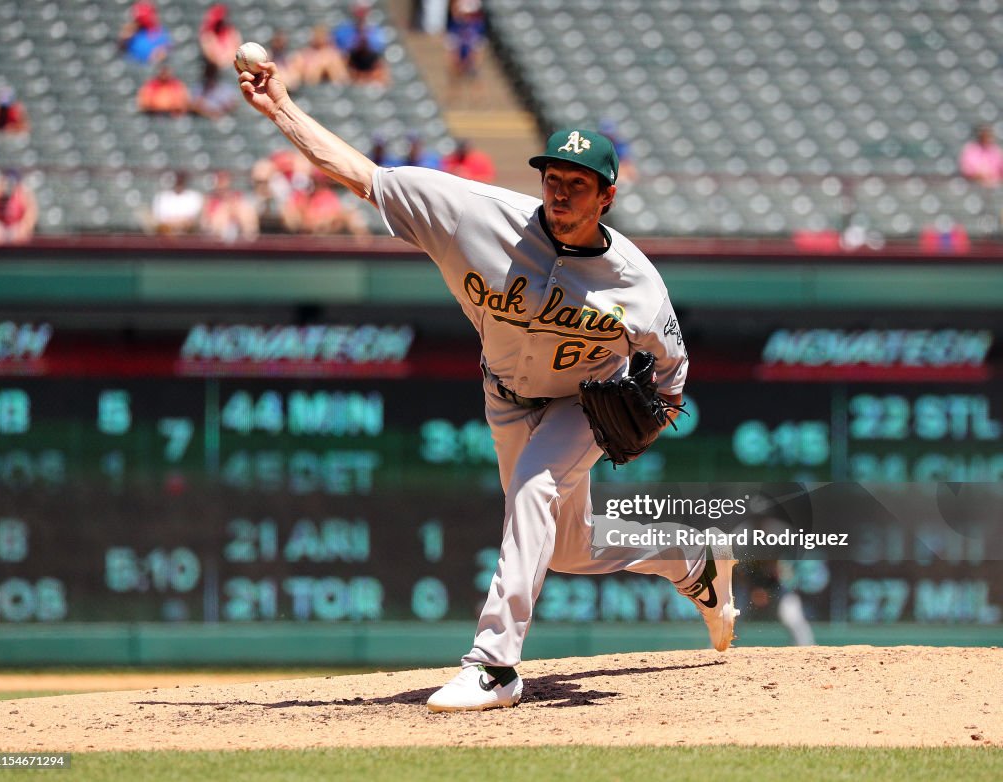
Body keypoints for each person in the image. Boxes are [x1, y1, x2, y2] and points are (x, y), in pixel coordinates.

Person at [236, 60, 737, 713]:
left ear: (607, 196)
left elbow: (672, 375)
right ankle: (692, 561)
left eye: (577, 185)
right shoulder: (476, 216)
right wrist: (280, 108)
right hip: (504, 396)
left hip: (584, 403)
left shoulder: (636, 284)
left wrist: (649, 416)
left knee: (533, 489)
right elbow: (363, 176)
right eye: (552, 179)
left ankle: (495, 667)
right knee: (568, 548)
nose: (560, 194)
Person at [0, 170, 38, 244]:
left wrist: (25, 227)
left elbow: (30, 216)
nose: (8, 186)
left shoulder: (23, 195)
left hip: (15, 228)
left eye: (11, 183)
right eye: (6, 183)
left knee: (20, 232)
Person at [201, 170, 258, 241]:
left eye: (224, 180)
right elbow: (205, 223)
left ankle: (250, 243)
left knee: (246, 210)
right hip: (216, 234)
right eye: (219, 180)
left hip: (237, 229)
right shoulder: (210, 200)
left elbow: (244, 217)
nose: (222, 183)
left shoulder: (237, 197)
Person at [117, 1, 171, 65]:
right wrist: (126, 37)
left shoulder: (159, 31)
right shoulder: (131, 33)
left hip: (150, 66)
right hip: (134, 64)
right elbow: (122, 49)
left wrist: (158, 55)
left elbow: (165, 51)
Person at [199, 3, 242, 70]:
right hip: (216, 68)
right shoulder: (209, 34)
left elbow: (238, 47)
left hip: (232, 64)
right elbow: (208, 53)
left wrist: (228, 59)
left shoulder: (230, 30)